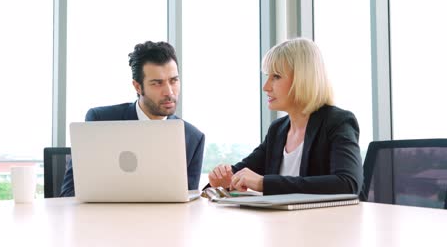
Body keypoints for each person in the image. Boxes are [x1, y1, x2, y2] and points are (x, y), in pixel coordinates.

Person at [208, 38, 363, 195]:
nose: (266, 87)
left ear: (302, 79)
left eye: (276, 76)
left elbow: (348, 183)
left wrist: (264, 183)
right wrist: (223, 180)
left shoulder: (338, 122)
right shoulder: (278, 130)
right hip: (281, 220)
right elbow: (242, 173)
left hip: (323, 220)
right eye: (268, 76)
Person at [60, 41, 205, 197]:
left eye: (173, 80)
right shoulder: (100, 121)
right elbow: (70, 193)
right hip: (105, 219)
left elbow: (187, 203)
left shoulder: (192, 138)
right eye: (157, 83)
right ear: (138, 86)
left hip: (162, 221)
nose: (169, 92)